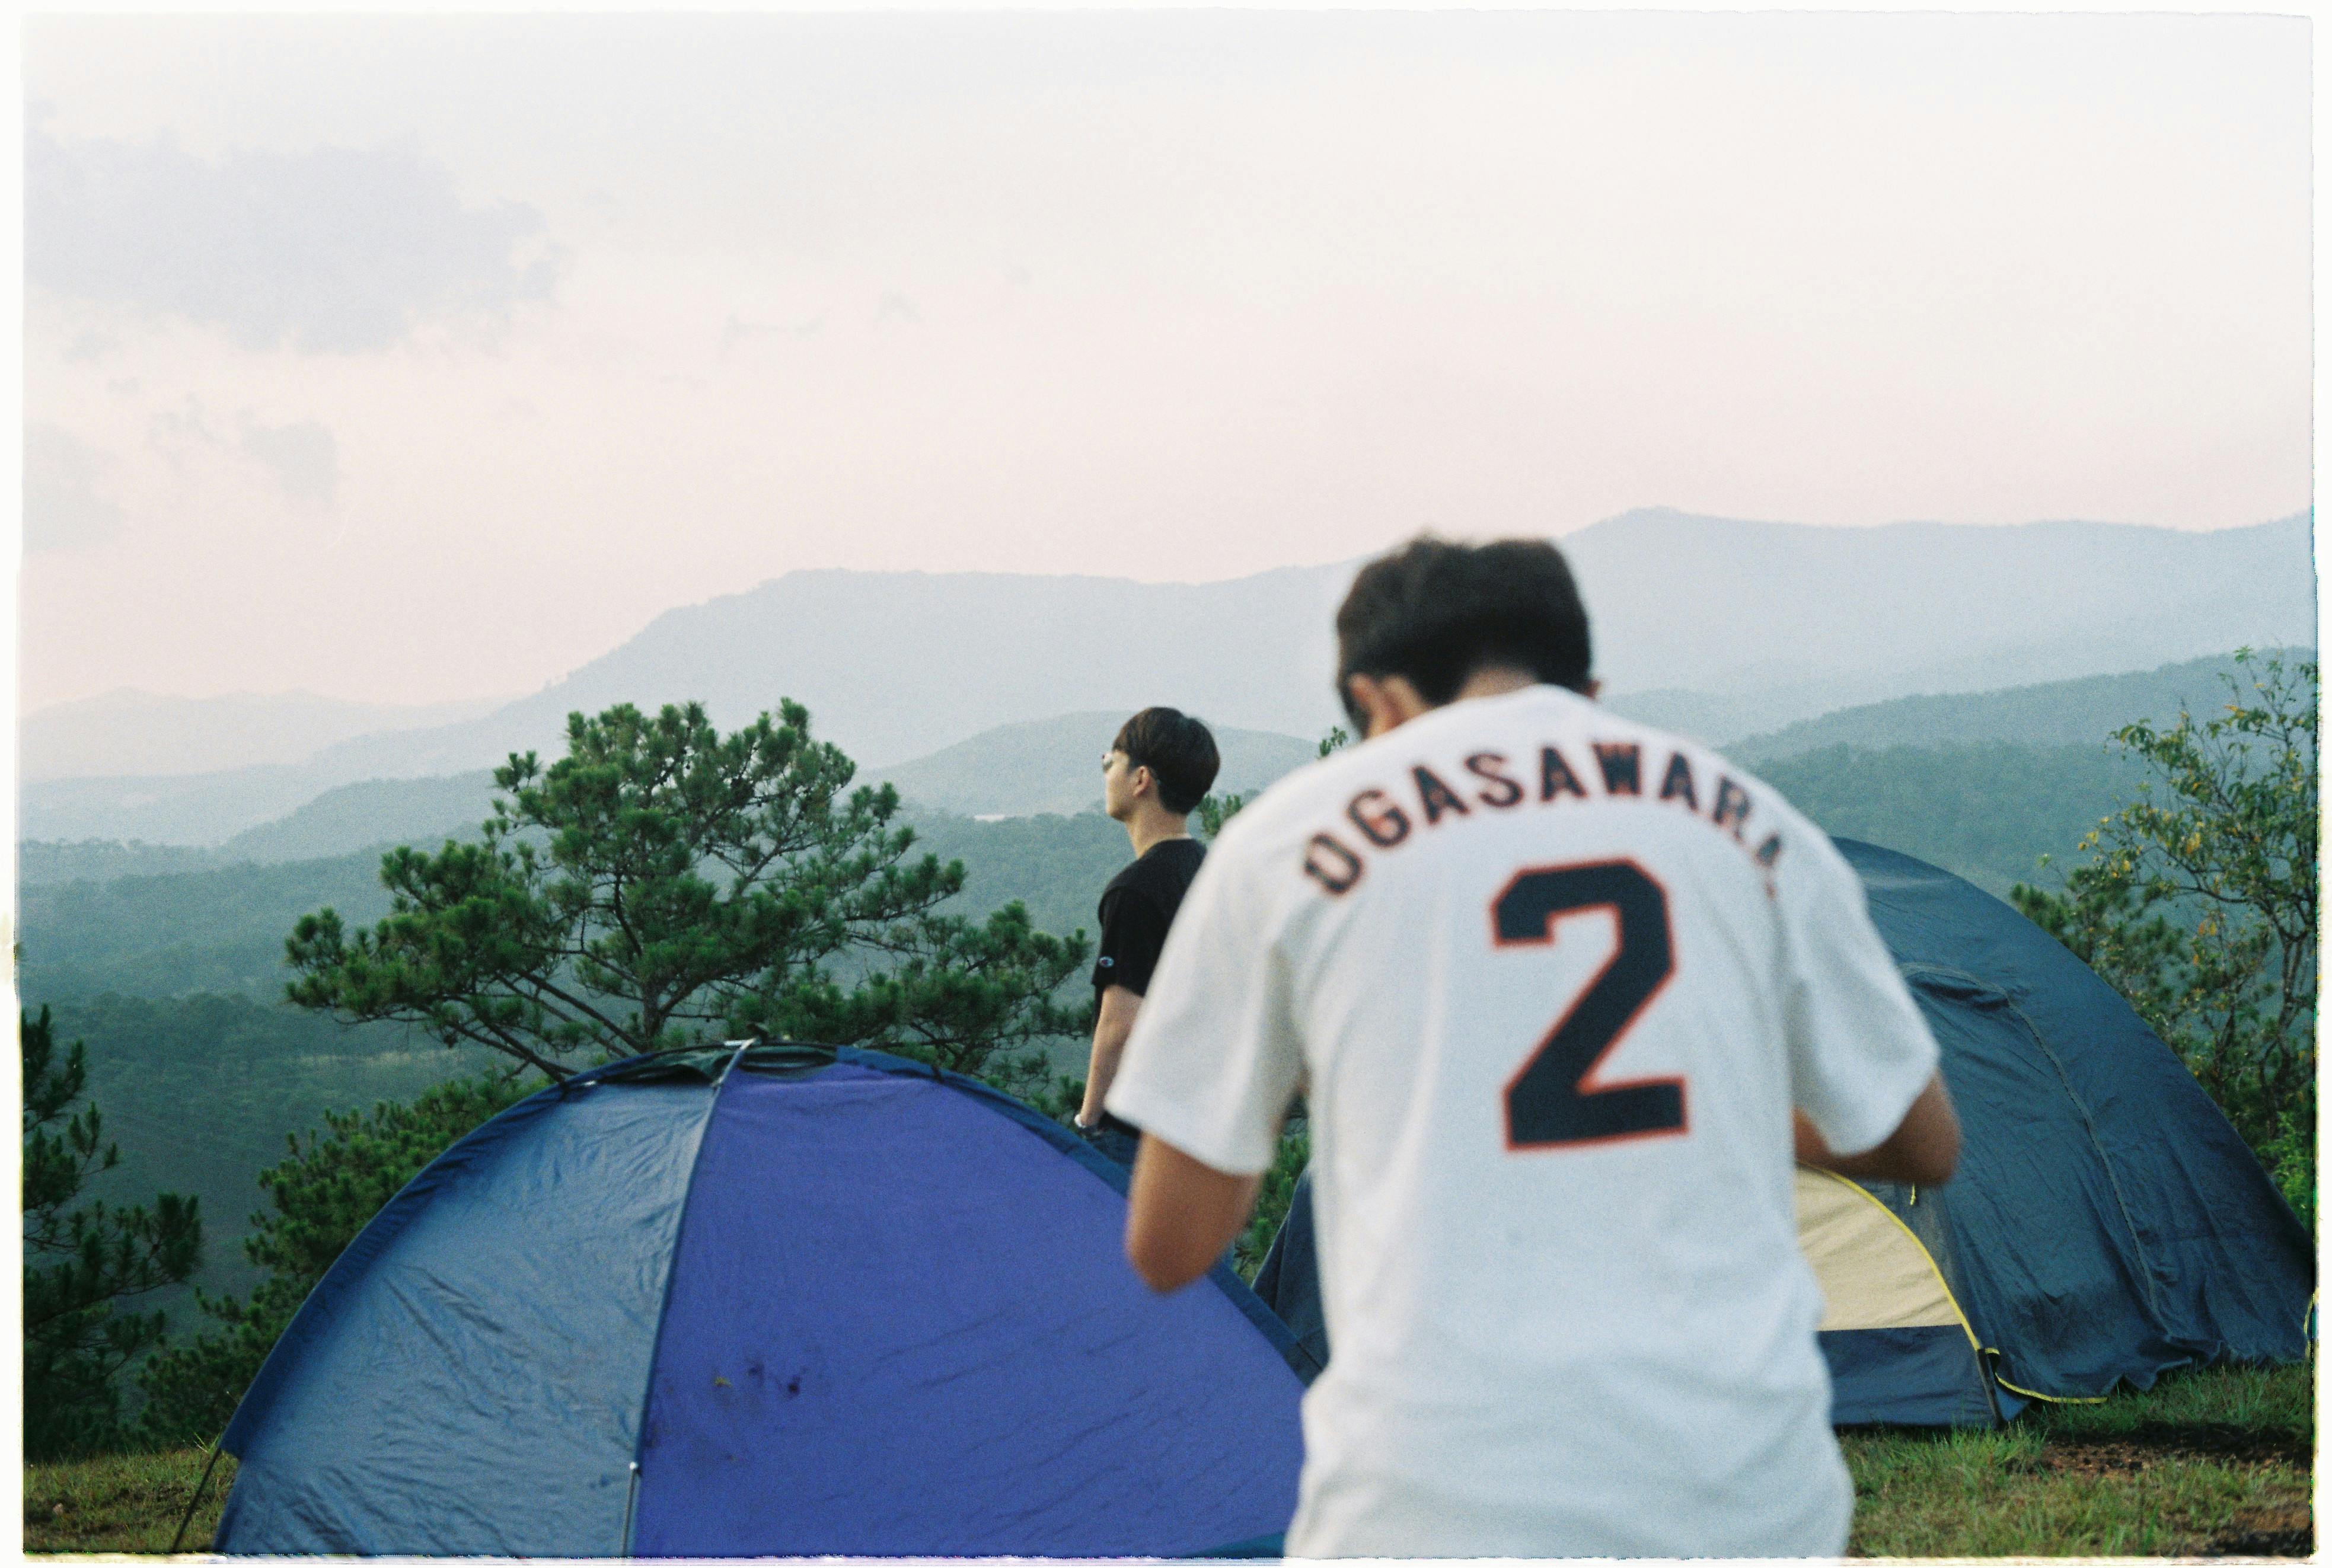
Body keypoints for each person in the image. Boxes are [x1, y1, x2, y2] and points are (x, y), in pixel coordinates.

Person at [1102, 536, 1961, 1558]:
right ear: (1586, 687)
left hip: (1432, 1503)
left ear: (1373, 702)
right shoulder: (1747, 821)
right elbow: (1921, 1142)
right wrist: (1701, 1105)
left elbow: (1170, 1245)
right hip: (1738, 1497)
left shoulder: (1285, 848)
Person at [1074, 706, 1221, 1167]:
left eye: (1109, 762)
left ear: (1140, 779)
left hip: (1138, 1137)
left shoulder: (1135, 890)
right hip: (1206, 1126)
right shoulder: (1212, 869)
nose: (1105, 774)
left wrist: (1088, 1122)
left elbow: (1120, 1023)